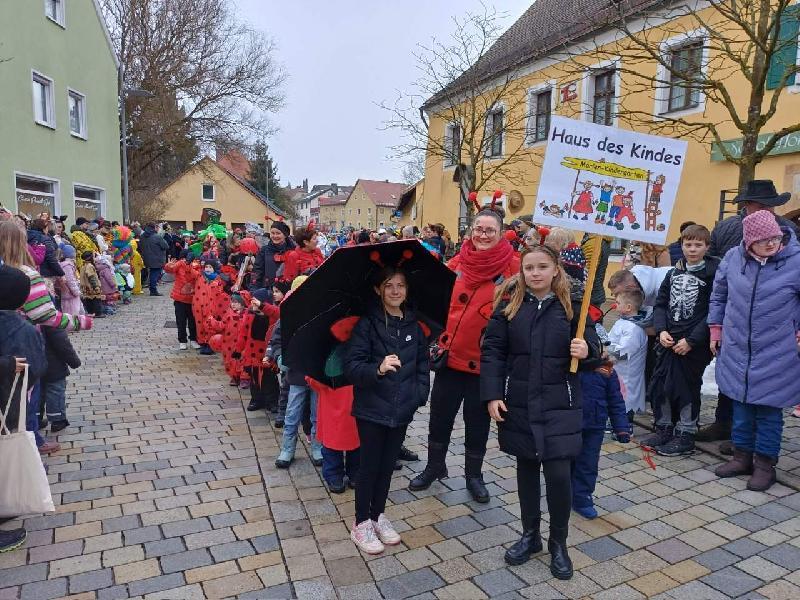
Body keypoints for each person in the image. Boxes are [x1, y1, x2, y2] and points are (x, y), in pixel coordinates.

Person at [481, 244, 597, 579]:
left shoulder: (573, 307)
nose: (535, 273)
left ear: (556, 269)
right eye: (529, 267)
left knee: (559, 475)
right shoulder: (509, 305)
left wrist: (587, 349)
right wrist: (491, 394)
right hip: (519, 402)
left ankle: (558, 542)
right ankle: (530, 534)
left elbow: (595, 352)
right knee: (527, 470)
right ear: (522, 270)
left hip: (561, 403)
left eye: (542, 267)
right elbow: (493, 351)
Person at [409, 206, 519, 502]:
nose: (483, 235)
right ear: (471, 231)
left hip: (485, 362)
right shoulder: (457, 262)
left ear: (500, 234)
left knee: (478, 421)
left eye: (489, 231)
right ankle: (435, 467)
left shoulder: (513, 269)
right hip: (451, 357)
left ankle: (474, 475)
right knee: (439, 416)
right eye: (479, 229)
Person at [699, 179, 800, 449]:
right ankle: (728, 429)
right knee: (732, 380)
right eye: (761, 204)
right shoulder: (727, 228)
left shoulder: (788, 231)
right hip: (736, 315)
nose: (765, 208)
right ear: (748, 205)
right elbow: (715, 272)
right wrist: (716, 323)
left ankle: (757, 448)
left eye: (770, 204)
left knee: (767, 393)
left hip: (773, 324)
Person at [711, 210, 800, 491]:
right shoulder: (732, 259)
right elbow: (719, 293)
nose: (771, 244)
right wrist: (716, 328)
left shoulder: (796, 262)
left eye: (774, 237)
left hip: (778, 349)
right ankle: (741, 457)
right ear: (749, 241)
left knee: (768, 410)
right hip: (737, 345)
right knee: (742, 405)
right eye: (763, 240)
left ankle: (764, 465)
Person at [344, 266, 430, 554]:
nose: (395, 291)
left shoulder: (413, 326)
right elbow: (352, 367)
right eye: (389, 285)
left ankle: (378, 515)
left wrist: (419, 395)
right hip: (371, 408)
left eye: (400, 285)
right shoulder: (367, 324)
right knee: (369, 468)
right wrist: (378, 369)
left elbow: (421, 365)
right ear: (378, 290)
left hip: (401, 409)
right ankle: (361, 523)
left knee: (387, 467)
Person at [644, 224, 719, 456]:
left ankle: (686, 432)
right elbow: (661, 304)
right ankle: (665, 426)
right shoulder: (673, 272)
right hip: (669, 339)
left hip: (693, 344)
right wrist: (661, 330)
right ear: (682, 246)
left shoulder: (713, 274)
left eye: (698, 245)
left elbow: (713, 311)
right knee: (662, 384)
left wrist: (692, 340)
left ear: (707, 247)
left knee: (686, 386)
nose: (692, 249)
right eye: (688, 244)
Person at [572, 361, 630, 519]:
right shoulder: (569, 365)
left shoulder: (606, 370)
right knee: (566, 462)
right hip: (568, 425)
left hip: (594, 425)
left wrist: (621, 427)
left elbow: (616, 400)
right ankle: (564, 494)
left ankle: (582, 498)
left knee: (588, 463)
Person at [607, 289, 649, 417]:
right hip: (618, 371)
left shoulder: (633, 328)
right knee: (616, 395)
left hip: (627, 374)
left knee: (626, 398)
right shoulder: (623, 322)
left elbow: (624, 351)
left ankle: (626, 426)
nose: (615, 305)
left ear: (628, 307)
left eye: (618, 302)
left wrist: (605, 350)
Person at [41, 326, 81, 432]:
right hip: (53, 366)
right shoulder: (51, 322)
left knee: (37, 393)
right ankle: (57, 420)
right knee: (55, 391)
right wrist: (74, 361)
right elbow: (63, 345)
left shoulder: (24, 318)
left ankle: (36, 419)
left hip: (34, 364)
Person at [164, 252, 200, 350]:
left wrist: (190, 266)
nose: (185, 260)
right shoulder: (179, 265)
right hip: (179, 298)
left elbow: (197, 276)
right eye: (183, 258)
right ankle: (182, 340)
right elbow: (169, 269)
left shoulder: (196, 266)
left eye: (187, 258)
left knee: (193, 322)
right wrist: (171, 264)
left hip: (193, 299)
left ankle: (193, 339)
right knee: (181, 321)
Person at [252, 221, 296, 291]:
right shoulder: (264, 250)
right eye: (272, 233)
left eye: (278, 233)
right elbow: (257, 271)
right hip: (268, 289)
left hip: (287, 290)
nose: (275, 236)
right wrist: (254, 289)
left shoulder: (294, 250)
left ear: (285, 235)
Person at [138, 222, 169, 296]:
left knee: (151, 273)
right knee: (154, 274)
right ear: (154, 228)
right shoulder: (157, 237)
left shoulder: (142, 236)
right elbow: (166, 246)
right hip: (157, 258)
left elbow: (140, 246)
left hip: (146, 258)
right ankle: (153, 290)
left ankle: (151, 288)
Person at [58, 244, 82, 316]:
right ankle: (73, 325)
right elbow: (70, 280)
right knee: (72, 313)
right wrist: (76, 291)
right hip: (70, 294)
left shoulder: (65, 264)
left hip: (67, 293)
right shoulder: (67, 266)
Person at [79, 251, 105, 318]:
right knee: (96, 299)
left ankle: (90, 312)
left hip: (85, 286)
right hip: (91, 286)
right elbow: (91, 277)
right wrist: (96, 286)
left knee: (89, 300)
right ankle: (98, 313)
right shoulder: (90, 266)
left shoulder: (83, 266)